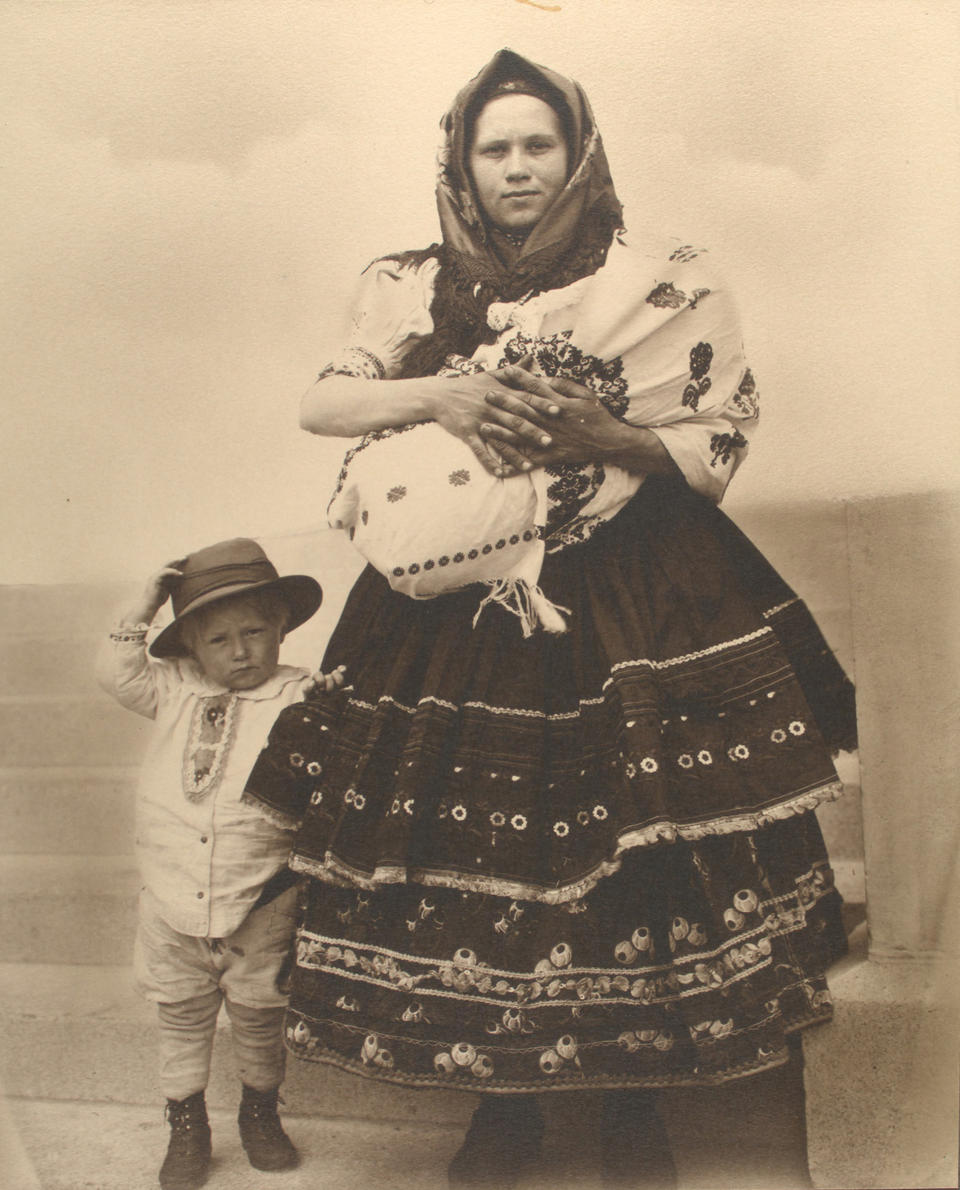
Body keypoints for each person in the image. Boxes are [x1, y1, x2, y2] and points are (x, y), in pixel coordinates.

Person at [244, 50, 857, 1189]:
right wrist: (444, 392)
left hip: (632, 589)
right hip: (455, 602)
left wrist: (600, 431)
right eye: (495, 148)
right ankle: (504, 1112)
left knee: (633, 847)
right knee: (471, 855)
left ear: (578, 156)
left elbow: (713, 440)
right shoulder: (411, 278)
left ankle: (632, 1110)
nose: (518, 167)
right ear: (462, 167)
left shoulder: (665, 279)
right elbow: (322, 400)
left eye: (539, 145)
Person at [96, 537, 344, 1190]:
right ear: (191, 648)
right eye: (219, 640)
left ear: (283, 627)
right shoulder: (172, 688)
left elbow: (336, 747)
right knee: (181, 1015)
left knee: (262, 1017)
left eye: (255, 631)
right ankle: (187, 1122)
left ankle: (260, 1114)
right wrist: (145, 602)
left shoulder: (300, 695)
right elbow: (114, 671)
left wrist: (333, 705)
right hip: (171, 898)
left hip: (260, 898)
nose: (239, 652)